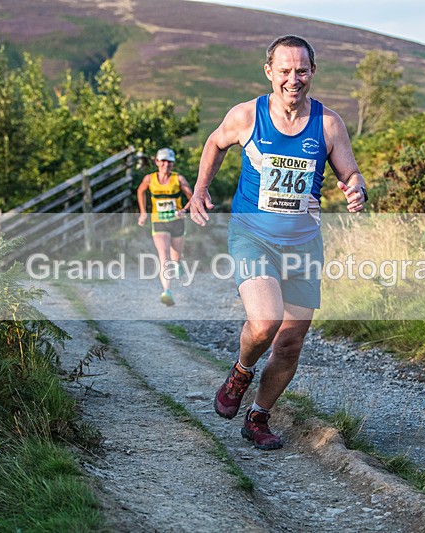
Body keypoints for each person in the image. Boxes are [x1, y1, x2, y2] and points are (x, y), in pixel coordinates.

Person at [185, 35, 367, 450]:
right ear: (269, 71)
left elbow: (350, 173)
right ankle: (241, 372)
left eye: (301, 70)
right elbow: (215, 142)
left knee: (289, 341)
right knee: (265, 323)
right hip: (253, 236)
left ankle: (259, 417)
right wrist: (199, 189)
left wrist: (355, 187)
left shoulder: (327, 123)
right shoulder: (247, 116)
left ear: (312, 72)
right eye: (284, 70)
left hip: (304, 244)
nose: (293, 79)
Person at [137, 147, 193, 306]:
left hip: (177, 222)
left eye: (169, 162)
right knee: (164, 256)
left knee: (176, 257)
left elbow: (193, 197)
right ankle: (166, 291)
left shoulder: (179, 180)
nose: (165, 164)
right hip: (159, 222)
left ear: (173, 164)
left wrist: (184, 210)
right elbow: (140, 192)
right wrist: (143, 212)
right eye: (162, 161)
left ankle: (178, 263)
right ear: (156, 162)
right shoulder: (149, 179)